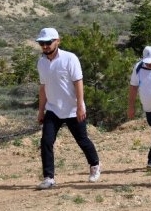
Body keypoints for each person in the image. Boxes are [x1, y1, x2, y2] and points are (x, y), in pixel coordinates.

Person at [35, 28, 101, 190]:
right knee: (46, 141)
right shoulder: (41, 62)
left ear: (58, 41)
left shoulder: (69, 58)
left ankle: (95, 165)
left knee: (82, 140)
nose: (45, 46)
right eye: (42, 43)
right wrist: (41, 110)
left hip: (72, 109)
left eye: (48, 42)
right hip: (53, 109)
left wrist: (80, 106)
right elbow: (43, 87)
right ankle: (49, 177)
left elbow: (78, 82)